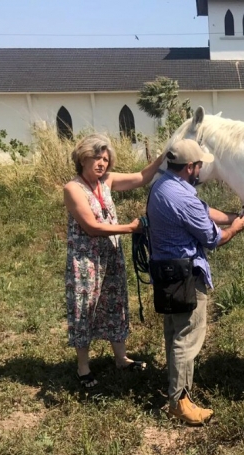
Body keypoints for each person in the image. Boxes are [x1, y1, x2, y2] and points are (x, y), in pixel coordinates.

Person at [147, 138, 244, 425]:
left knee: (174, 332)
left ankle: (179, 392)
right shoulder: (183, 197)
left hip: (166, 272)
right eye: (199, 165)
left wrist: (234, 215)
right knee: (187, 337)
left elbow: (203, 211)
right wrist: (237, 226)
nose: (201, 170)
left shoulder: (163, 186)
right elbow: (215, 238)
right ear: (190, 167)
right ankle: (178, 401)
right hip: (185, 275)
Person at [64, 133, 165, 388]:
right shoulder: (73, 188)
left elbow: (142, 177)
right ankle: (83, 367)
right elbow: (91, 227)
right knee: (85, 307)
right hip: (85, 261)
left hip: (110, 257)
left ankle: (121, 358)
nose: (102, 164)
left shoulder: (107, 181)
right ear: (83, 157)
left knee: (116, 303)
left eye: (106, 159)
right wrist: (130, 228)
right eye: (97, 158)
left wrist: (164, 156)